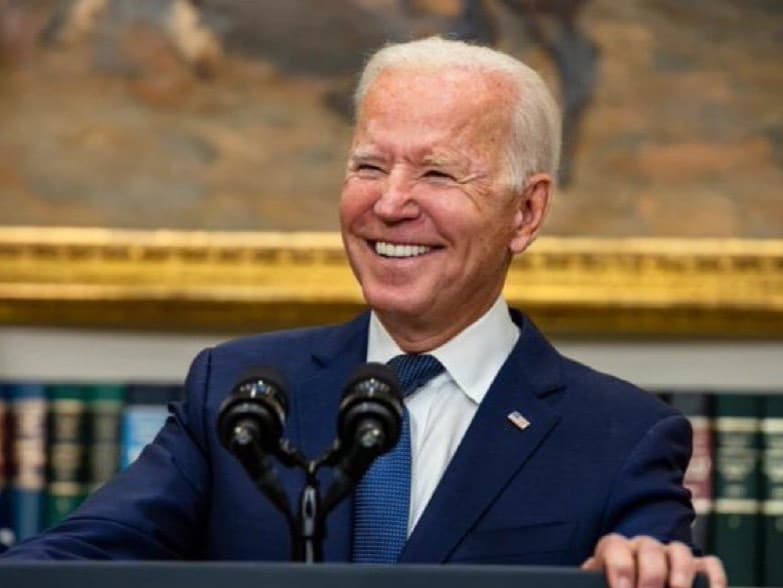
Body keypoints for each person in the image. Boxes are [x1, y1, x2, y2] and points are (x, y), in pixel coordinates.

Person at [0, 36, 725, 588]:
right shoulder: (238, 389)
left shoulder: (620, 434)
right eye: (369, 166)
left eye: (437, 172)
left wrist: (645, 564)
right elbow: (67, 561)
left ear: (525, 212)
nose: (388, 203)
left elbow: (656, 565)